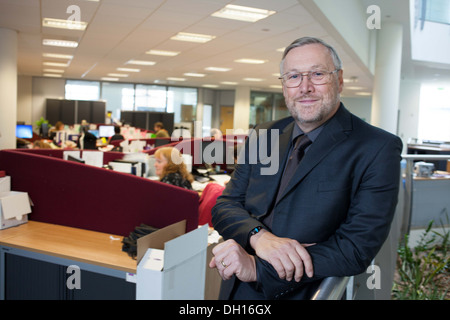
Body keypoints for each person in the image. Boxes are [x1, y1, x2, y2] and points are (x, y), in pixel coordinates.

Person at [209, 36, 403, 300]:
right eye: (293, 77)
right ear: (284, 85)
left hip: (305, 293)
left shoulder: (377, 147)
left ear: (340, 79)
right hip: (237, 290)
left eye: (318, 74)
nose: (305, 87)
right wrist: (258, 236)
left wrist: (258, 267)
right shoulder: (263, 134)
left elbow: (356, 248)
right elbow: (225, 205)